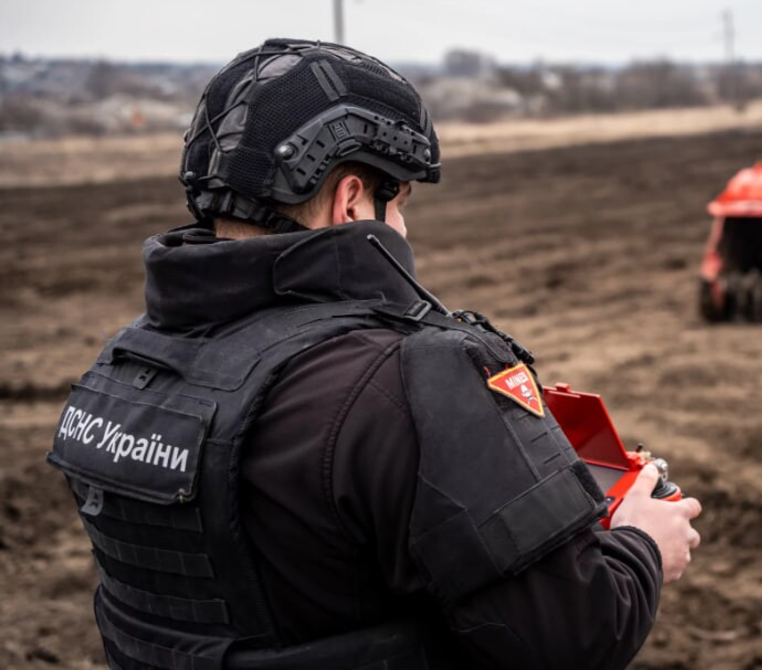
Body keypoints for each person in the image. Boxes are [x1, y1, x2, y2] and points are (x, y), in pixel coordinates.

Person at [47, 38, 702, 670]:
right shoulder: (407, 382)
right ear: (353, 199)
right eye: (402, 204)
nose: (406, 231)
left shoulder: (121, 371)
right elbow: (572, 637)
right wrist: (643, 544)